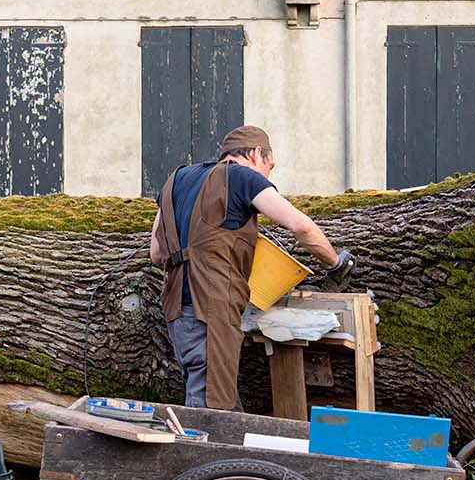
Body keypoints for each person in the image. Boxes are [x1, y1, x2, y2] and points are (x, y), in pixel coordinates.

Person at [148, 126, 350, 411]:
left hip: (176, 310)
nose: (267, 176)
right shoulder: (242, 177)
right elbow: (300, 225)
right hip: (211, 309)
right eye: (269, 166)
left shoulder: (176, 180)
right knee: (209, 408)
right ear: (256, 154)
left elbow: (156, 253)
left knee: (219, 397)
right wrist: (335, 262)